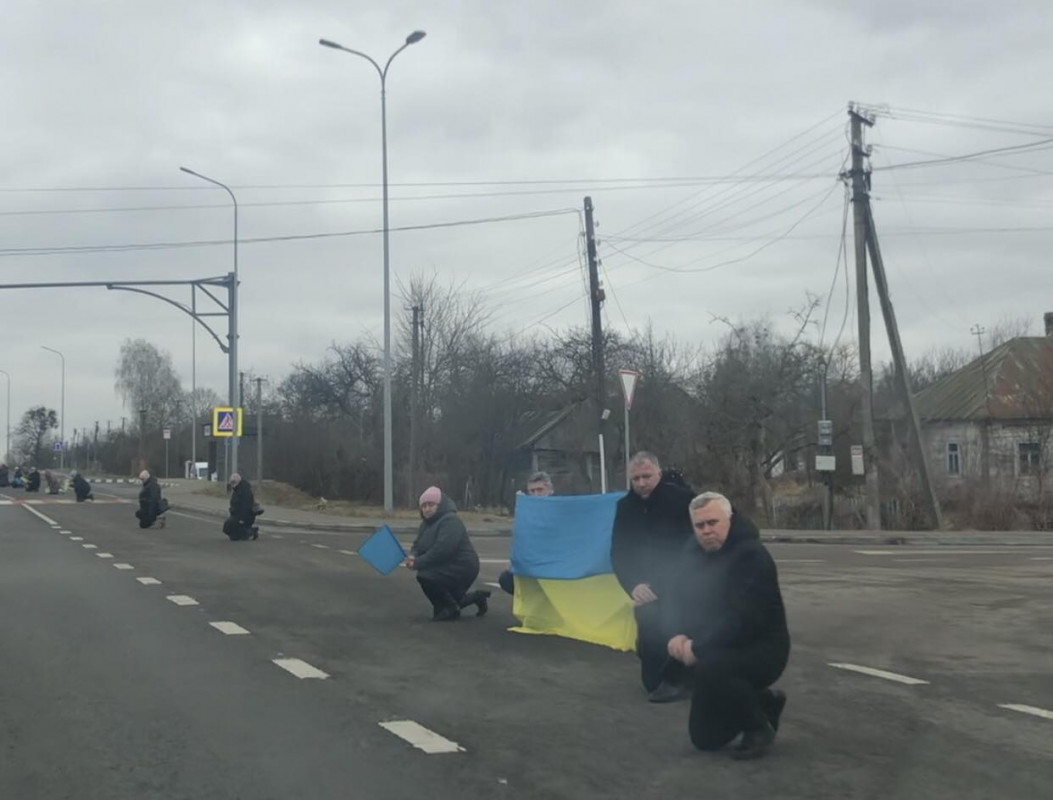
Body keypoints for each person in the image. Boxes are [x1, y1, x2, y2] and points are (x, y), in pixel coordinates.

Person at [665, 491, 790, 760]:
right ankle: (764, 703)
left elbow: (744, 620)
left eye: (713, 523)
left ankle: (758, 729)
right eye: (700, 526)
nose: (707, 531)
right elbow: (678, 596)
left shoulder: (752, 555)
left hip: (762, 648)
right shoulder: (692, 554)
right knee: (705, 739)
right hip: (716, 647)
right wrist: (678, 632)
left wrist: (697, 647)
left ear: (729, 519)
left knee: (712, 667)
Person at [611, 451, 695, 701]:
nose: (641, 483)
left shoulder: (683, 500)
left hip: (682, 585)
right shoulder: (624, 507)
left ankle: (686, 675)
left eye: (646, 476)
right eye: (635, 478)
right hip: (644, 590)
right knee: (651, 684)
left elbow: (691, 546)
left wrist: (662, 583)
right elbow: (618, 552)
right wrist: (632, 585)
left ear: (658, 473)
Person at [406, 486, 489, 621]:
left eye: (431, 504)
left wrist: (418, 563)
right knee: (453, 598)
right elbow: (417, 545)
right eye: (424, 506)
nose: (427, 509)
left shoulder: (451, 521)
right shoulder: (425, 524)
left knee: (425, 576)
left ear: (440, 505)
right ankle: (477, 597)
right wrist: (412, 555)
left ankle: (449, 609)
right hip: (446, 565)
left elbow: (442, 550)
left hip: (463, 566)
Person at [499, 471, 555, 595]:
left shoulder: (560, 511)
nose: (536, 494)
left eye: (540, 490)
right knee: (506, 579)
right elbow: (521, 542)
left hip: (554, 566)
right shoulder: (526, 514)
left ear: (550, 490)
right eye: (532, 491)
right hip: (532, 566)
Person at [223, 473, 259, 541]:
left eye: (234, 482)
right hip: (238, 514)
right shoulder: (238, 490)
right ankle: (241, 533)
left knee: (228, 525)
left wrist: (241, 517)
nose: (232, 484)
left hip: (244, 515)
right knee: (230, 530)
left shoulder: (244, 490)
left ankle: (249, 532)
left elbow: (245, 506)